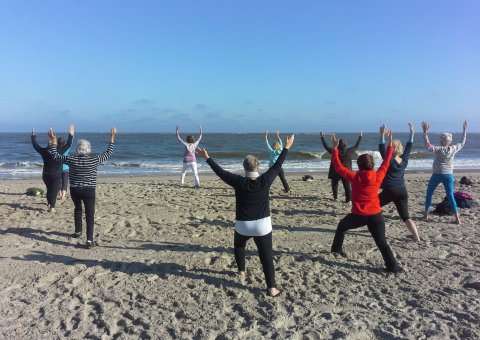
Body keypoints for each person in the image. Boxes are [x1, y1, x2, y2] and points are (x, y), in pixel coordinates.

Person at [196, 134, 295, 297]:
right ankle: (272, 288)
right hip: (262, 226)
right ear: (258, 167)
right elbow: (278, 165)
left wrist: (207, 158)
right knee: (266, 256)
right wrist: (287, 147)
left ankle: (241, 271)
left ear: (244, 168)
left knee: (239, 246)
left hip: (243, 225)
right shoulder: (265, 180)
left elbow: (220, 172)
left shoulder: (238, 182)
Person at [330, 131, 402, 273]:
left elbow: (338, 167)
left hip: (359, 215)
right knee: (382, 243)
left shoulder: (354, 177)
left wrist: (334, 149)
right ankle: (394, 267)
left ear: (358, 165)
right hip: (376, 215)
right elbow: (386, 162)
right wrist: (390, 145)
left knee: (341, 227)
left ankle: (336, 249)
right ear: (372, 165)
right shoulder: (378, 175)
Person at [48, 126, 117, 248]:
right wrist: (112, 137)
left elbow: (55, 156)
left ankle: (78, 231)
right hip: (89, 190)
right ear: (89, 149)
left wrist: (53, 142)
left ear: (77, 149)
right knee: (90, 214)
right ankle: (89, 240)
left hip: (75, 190)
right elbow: (108, 153)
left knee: (78, 208)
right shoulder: (94, 159)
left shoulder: (71, 159)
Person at [378, 123, 420, 242]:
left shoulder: (388, 160)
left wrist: (382, 135)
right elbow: (409, 146)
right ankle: (416, 237)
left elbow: (381, 148)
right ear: (400, 149)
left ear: (390, 149)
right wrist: (412, 133)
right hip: (402, 190)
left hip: (391, 190)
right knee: (405, 217)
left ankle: (374, 225)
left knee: (373, 205)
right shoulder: (404, 160)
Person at [422, 120, 467, 224]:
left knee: (429, 193)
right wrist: (464, 130)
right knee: (450, 195)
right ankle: (457, 219)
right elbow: (462, 142)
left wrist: (425, 133)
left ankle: (426, 216)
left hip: (437, 174)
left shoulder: (438, 149)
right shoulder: (454, 148)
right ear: (450, 141)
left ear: (441, 141)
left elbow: (428, 145)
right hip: (448, 175)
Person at [31, 125, 74, 212]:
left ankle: (49, 203)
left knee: (49, 189)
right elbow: (68, 145)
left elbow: (35, 145)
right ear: (55, 144)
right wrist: (71, 135)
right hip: (55, 175)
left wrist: (33, 136)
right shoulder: (59, 151)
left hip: (46, 175)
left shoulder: (44, 151)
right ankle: (52, 207)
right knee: (54, 191)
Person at [320, 131, 362, 203]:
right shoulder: (349, 151)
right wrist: (360, 137)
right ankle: (348, 199)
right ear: (345, 145)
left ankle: (335, 197)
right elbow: (356, 146)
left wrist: (322, 137)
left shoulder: (334, 151)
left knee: (334, 184)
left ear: (338, 145)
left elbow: (326, 146)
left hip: (335, 170)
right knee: (347, 186)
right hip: (346, 171)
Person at [57, 135, 73, 200]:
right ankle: (63, 196)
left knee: (59, 181)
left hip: (58, 168)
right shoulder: (66, 149)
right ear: (64, 143)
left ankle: (59, 194)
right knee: (65, 182)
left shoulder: (55, 149)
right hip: (66, 168)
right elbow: (70, 143)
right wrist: (71, 135)